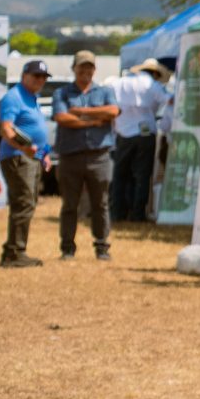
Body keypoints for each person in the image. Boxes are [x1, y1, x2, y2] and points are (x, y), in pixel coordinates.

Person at [48, 52, 120, 261]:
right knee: (70, 204)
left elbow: (113, 111)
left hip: (99, 155)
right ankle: (68, 247)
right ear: (74, 69)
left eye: (89, 68)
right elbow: (62, 117)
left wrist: (80, 111)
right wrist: (94, 121)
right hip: (71, 155)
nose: (85, 72)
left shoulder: (105, 91)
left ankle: (101, 246)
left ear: (94, 70)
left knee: (101, 203)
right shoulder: (61, 93)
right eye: (81, 68)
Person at [0, 62, 55, 267]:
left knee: (26, 202)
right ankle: (15, 252)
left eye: (43, 77)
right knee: (24, 202)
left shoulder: (31, 98)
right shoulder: (14, 96)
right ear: (24, 75)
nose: (40, 80)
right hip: (17, 157)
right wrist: (23, 149)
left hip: (30, 157)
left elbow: (34, 130)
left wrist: (44, 153)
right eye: (36, 75)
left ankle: (15, 250)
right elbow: (6, 130)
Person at [108, 58, 173, 223]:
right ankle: (137, 214)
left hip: (123, 133)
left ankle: (117, 212)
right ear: (156, 73)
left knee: (120, 175)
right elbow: (170, 101)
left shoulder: (120, 83)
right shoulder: (153, 85)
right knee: (142, 175)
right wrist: (165, 126)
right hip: (145, 134)